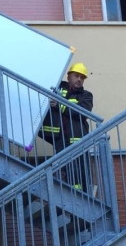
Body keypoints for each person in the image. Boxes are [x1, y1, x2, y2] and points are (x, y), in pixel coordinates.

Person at [40, 62, 94, 190]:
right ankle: (67, 195)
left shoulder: (86, 95)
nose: (79, 79)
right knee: (64, 168)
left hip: (77, 139)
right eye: (76, 76)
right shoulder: (57, 88)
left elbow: (81, 112)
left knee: (79, 170)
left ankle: (79, 195)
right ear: (69, 76)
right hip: (60, 138)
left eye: (82, 77)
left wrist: (59, 105)